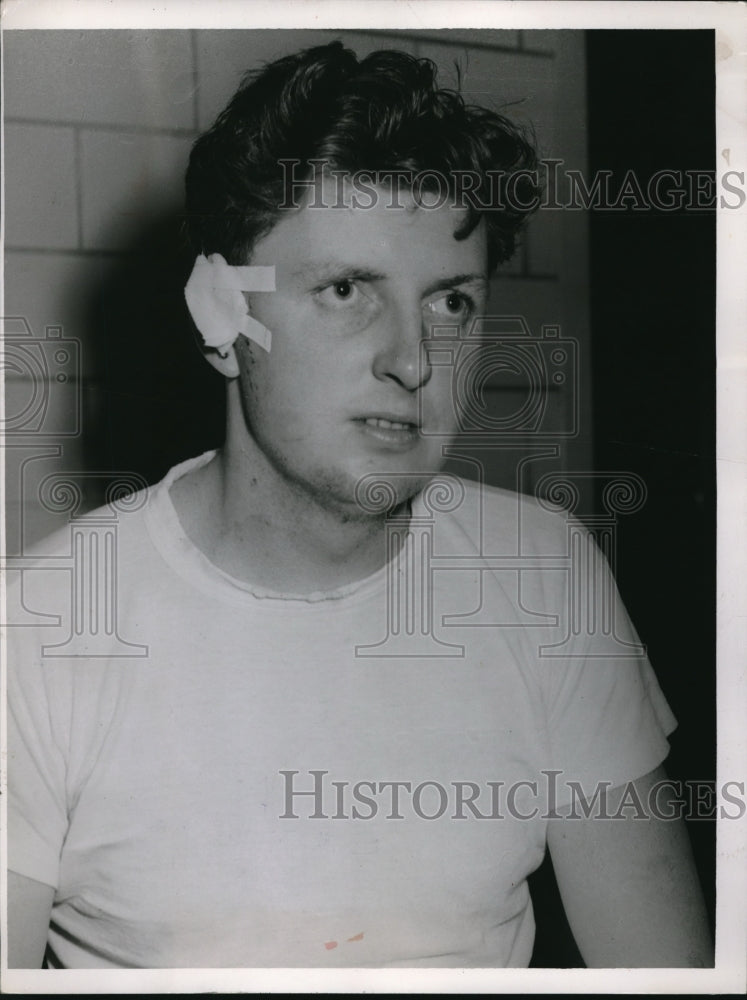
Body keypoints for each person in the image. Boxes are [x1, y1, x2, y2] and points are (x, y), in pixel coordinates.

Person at [7, 41, 712, 969]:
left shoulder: (543, 572)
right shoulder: (41, 628)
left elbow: (663, 975)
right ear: (221, 316)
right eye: (346, 291)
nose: (414, 360)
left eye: (451, 303)